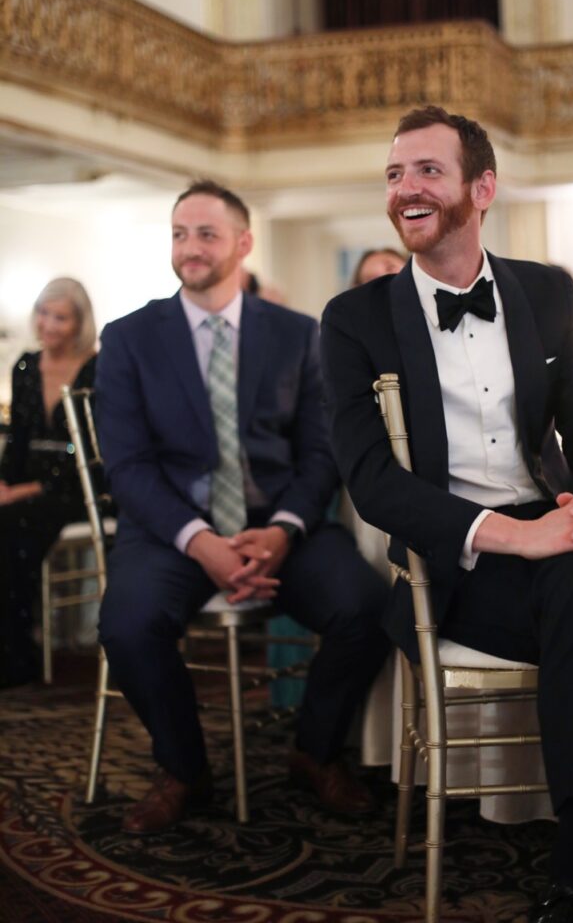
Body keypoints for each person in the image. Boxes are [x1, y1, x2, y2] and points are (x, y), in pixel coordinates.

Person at [320, 106, 573, 922]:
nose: (405, 189)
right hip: (456, 565)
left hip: (556, 538)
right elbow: (372, 480)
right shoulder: (355, 320)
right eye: (393, 174)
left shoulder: (548, 291)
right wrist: (522, 536)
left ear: (482, 188)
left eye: (426, 171)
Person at [95, 180, 390, 834]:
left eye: (206, 233)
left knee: (369, 608)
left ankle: (314, 753)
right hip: (172, 530)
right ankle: (183, 769)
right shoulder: (129, 338)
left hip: (280, 525)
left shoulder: (297, 334)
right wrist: (202, 541)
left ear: (243, 243)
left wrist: (283, 531)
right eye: (179, 233)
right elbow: (129, 466)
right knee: (125, 623)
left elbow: (320, 452)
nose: (190, 248)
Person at [0, 277, 97, 687]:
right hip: (28, 484)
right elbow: (18, 437)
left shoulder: (97, 368)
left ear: (79, 324)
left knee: (11, 527)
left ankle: (17, 653)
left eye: (60, 317)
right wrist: (6, 483)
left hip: (80, 486)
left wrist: (25, 490)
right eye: (43, 313)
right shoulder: (25, 365)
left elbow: (91, 450)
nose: (48, 324)